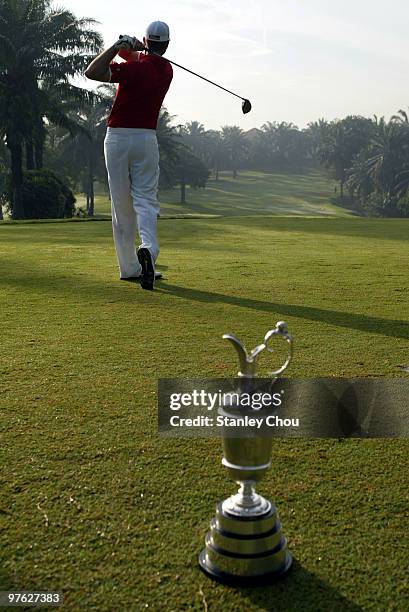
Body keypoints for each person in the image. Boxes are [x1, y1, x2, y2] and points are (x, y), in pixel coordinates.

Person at [85, 22, 173, 290]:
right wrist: (133, 47)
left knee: (121, 204)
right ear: (167, 45)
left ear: (147, 41)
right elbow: (138, 58)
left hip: (118, 138)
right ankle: (149, 249)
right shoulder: (166, 70)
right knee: (146, 200)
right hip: (145, 138)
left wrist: (117, 45)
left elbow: (92, 71)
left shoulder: (133, 69)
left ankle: (129, 268)